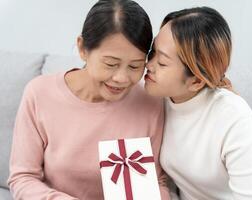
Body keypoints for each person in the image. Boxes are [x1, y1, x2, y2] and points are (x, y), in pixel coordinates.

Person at [7, 0, 170, 199]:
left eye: (135, 66)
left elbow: (156, 183)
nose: (122, 78)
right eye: (111, 64)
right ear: (83, 48)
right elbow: (23, 178)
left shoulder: (149, 101)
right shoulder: (40, 94)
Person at [144, 6, 252, 200]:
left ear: (197, 81)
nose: (149, 65)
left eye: (163, 63)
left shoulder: (233, 116)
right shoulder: (158, 95)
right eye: (152, 51)